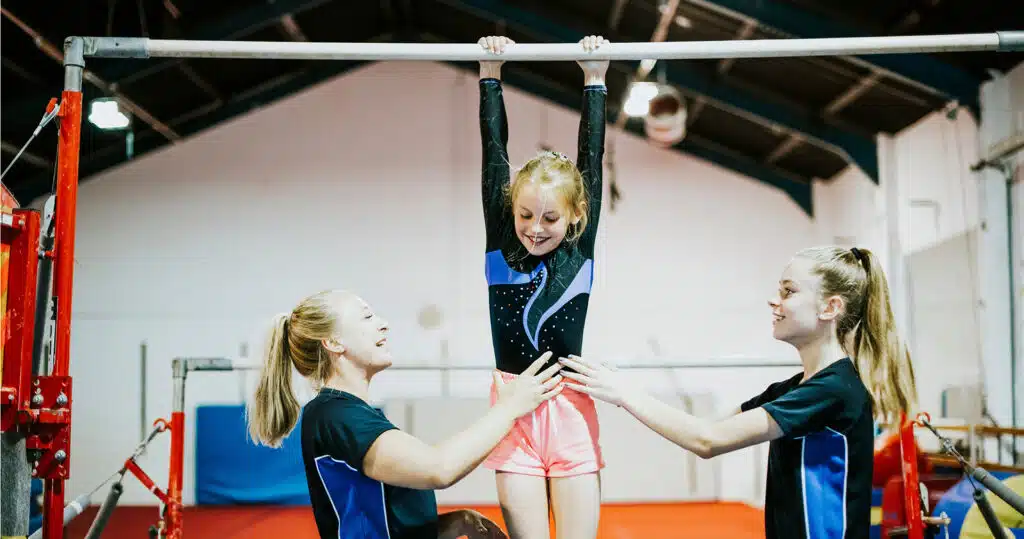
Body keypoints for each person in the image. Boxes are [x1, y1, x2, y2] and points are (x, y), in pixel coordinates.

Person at [560, 246, 919, 539]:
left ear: (830, 307)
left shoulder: (834, 390)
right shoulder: (795, 389)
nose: (774, 301)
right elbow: (702, 430)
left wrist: (624, 393)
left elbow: (707, 440)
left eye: (788, 291)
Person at [247, 289, 564, 539]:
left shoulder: (345, 413)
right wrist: (508, 409)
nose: (383, 324)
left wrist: (455, 524)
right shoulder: (337, 416)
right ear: (333, 342)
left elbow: (378, 523)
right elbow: (438, 468)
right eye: (367, 317)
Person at [476, 35, 609, 539]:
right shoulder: (501, 241)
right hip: (513, 410)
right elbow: (494, 152)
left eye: (550, 217)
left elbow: (590, 157)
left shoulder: (579, 247)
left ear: (575, 214)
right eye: (525, 214)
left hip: (570, 405)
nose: (534, 228)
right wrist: (491, 75)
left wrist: (594, 78)